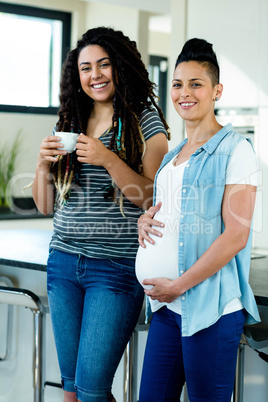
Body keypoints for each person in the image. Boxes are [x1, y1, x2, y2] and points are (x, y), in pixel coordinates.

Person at [32, 26, 169, 402]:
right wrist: (43, 165)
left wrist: (108, 158)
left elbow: (152, 196)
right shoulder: (70, 120)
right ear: (77, 77)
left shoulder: (144, 121)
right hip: (62, 263)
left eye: (104, 65)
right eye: (86, 68)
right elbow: (45, 206)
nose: (95, 75)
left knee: (92, 391)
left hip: (115, 267)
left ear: (120, 66)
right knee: (72, 391)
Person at [135, 38, 260, 402]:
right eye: (177, 84)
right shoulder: (171, 157)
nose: (184, 93)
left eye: (196, 84)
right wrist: (146, 221)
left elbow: (236, 235)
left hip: (211, 309)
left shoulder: (236, 150)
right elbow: (173, 218)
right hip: (166, 308)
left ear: (216, 90)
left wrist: (179, 285)